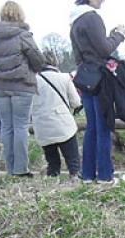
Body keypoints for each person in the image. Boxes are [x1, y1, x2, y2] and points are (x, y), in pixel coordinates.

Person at [0, 1, 45, 178]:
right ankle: (21, 169)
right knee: (20, 127)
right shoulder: (23, 35)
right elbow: (38, 61)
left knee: (6, 127)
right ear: (20, 15)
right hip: (21, 85)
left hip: (0, 86)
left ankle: (10, 169)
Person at [70, 0, 125, 184]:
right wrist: (118, 36)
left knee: (92, 128)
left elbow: (83, 54)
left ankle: (87, 175)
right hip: (100, 79)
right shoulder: (92, 18)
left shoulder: (75, 20)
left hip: (86, 79)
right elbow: (103, 49)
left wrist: (107, 37)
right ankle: (104, 176)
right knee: (103, 128)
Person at [33, 50, 81, 178]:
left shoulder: (32, 81)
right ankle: (74, 178)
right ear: (55, 61)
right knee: (72, 160)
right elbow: (76, 102)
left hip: (42, 126)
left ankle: (52, 180)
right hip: (62, 123)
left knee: (52, 162)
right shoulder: (64, 78)